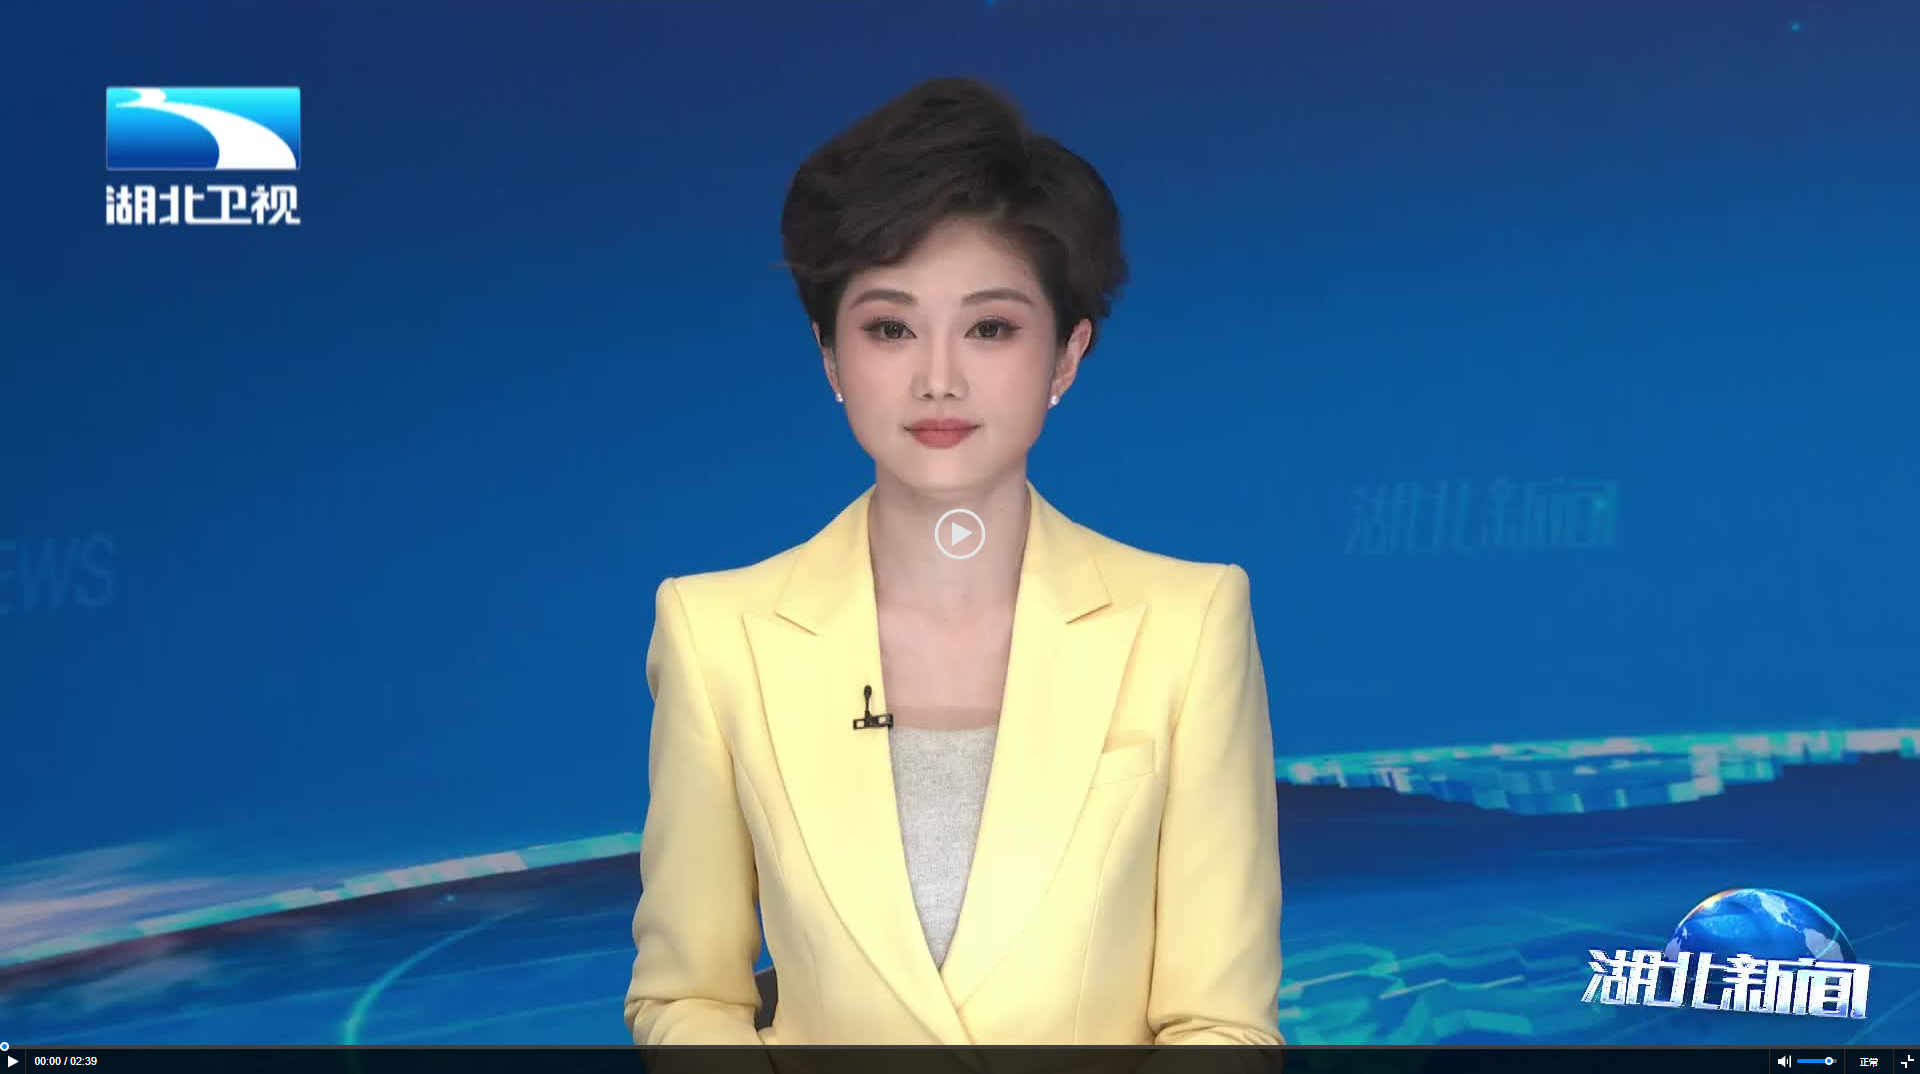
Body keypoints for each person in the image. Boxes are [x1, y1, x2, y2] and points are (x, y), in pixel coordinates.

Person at [622, 76, 1284, 1050]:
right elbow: (687, 998)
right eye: (890, 328)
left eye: (990, 327)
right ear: (830, 356)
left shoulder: (1189, 622)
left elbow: (1221, 1024)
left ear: (1066, 356)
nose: (938, 378)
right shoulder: (716, 633)